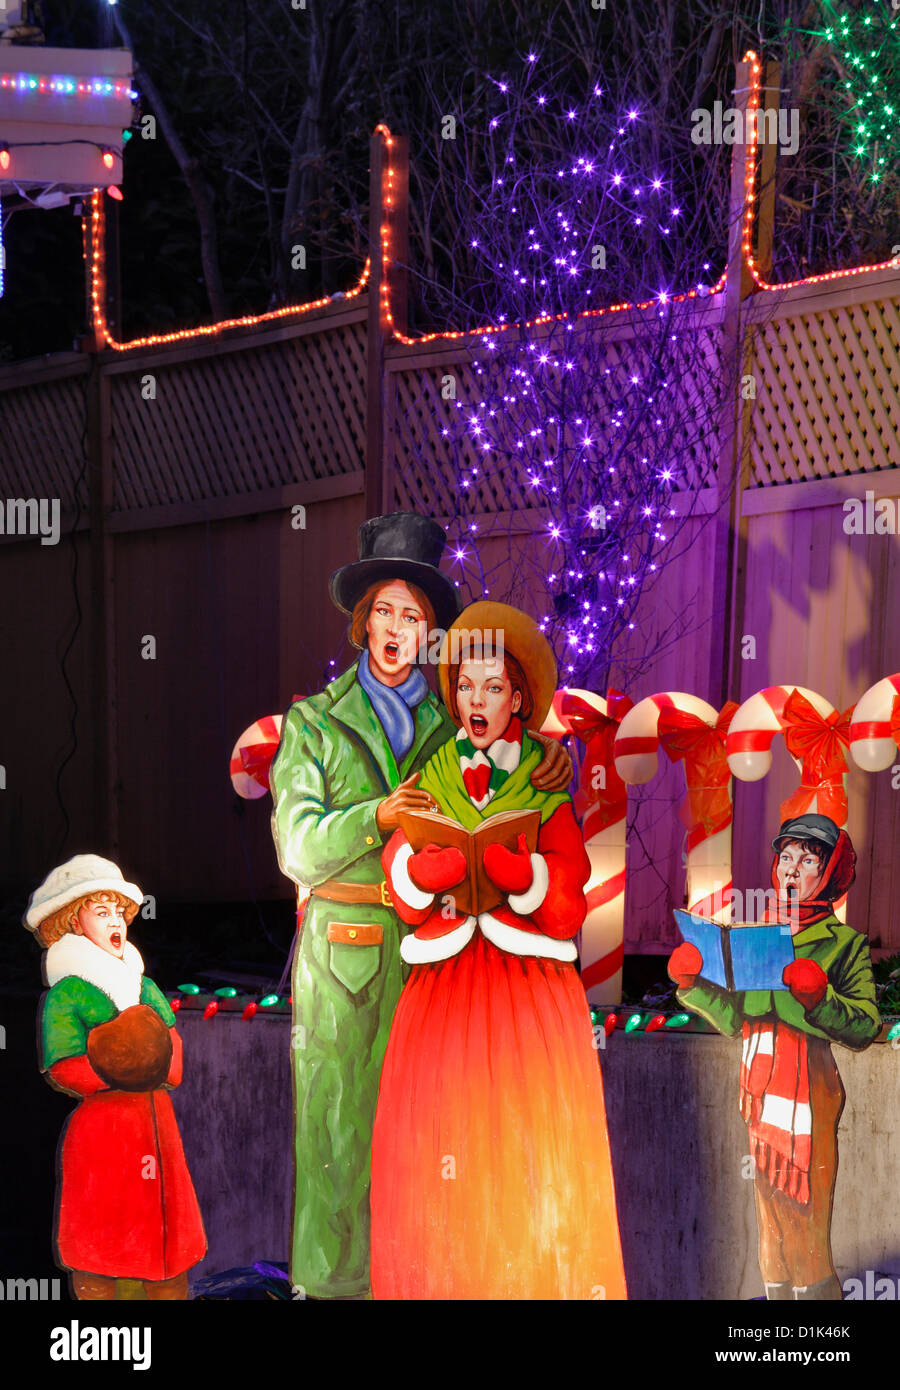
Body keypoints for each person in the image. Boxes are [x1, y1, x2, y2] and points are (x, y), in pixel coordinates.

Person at [269, 514, 572, 1300]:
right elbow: (297, 847)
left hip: (437, 955)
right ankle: (333, 1294)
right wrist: (377, 817)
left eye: (414, 615)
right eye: (385, 610)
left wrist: (546, 754)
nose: (397, 628)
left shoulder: (451, 719)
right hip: (344, 957)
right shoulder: (313, 724)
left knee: (426, 1138)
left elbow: (510, 750)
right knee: (337, 1138)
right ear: (361, 619)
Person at [369, 601, 627, 1300]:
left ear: (517, 696)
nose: (475, 701)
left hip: (527, 999)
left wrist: (530, 878)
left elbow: (571, 904)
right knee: (440, 1156)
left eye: (491, 687)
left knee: (523, 1151)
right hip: (442, 1001)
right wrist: (418, 877)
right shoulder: (429, 781)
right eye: (464, 687)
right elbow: (398, 886)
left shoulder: (546, 783)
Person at [667, 813, 880, 1300]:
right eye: (785, 857)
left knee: (805, 1226)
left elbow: (865, 1024)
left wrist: (818, 999)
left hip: (808, 1093)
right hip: (758, 1093)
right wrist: (694, 987)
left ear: (829, 874)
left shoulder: (844, 944)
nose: (791, 868)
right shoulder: (754, 936)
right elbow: (738, 1019)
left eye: (807, 860)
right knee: (771, 1230)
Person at [25, 854, 207, 1300]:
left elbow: (174, 1057)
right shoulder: (67, 994)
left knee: (165, 1249)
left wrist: (155, 1059)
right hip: (104, 1136)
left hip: (156, 1131)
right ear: (73, 921)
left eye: (119, 912)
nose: (115, 922)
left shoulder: (144, 986)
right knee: (102, 1249)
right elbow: (66, 1068)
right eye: (99, 911)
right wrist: (120, 1062)